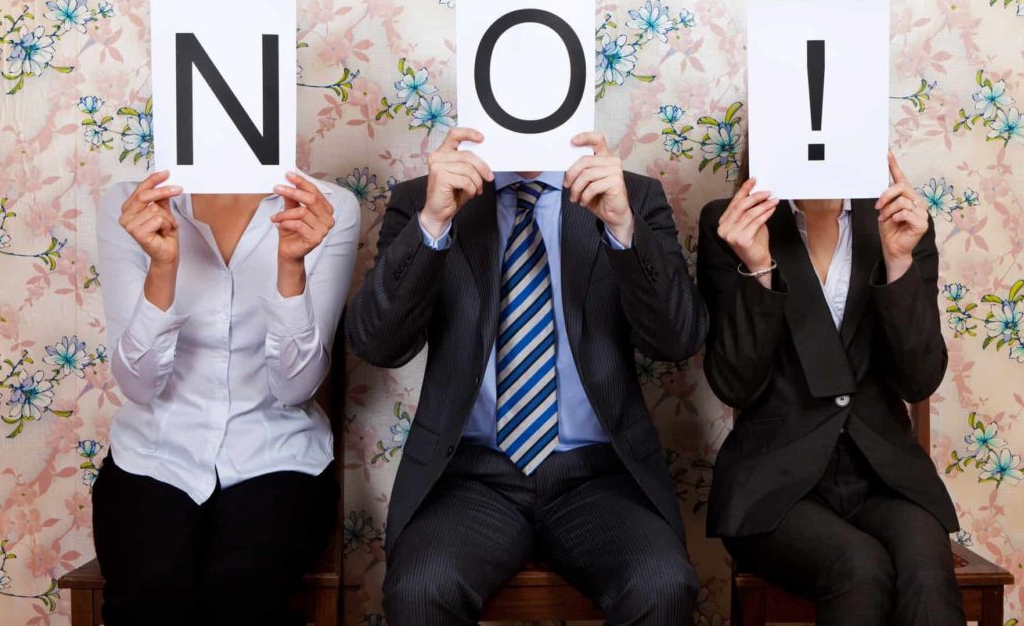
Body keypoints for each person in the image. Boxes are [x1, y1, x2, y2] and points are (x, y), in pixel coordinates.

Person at [347, 128, 708, 625]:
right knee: (420, 590)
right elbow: (377, 344)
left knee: (663, 585)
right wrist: (432, 223)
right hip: (472, 478)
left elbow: (677, 341)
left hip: (598, 476)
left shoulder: (634, 196)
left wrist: (622, 227)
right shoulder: (421, 200)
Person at [698, 152, 963, 626]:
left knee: (926, 574)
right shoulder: (729, 223)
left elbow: (918, 380)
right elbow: (733, 384)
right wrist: (757, 266)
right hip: (774, 487)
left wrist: (899, 261)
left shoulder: (899, 223)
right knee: (860, 567)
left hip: (884, 479)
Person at [92, 170, 359, 626]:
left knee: (241, 597)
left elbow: (296, 388)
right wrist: (162, 267)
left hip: (276, 454)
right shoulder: (130, 204)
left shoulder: (327, 206)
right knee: (150, 600)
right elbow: (138, 386)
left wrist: (291, 266)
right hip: (155, 454)